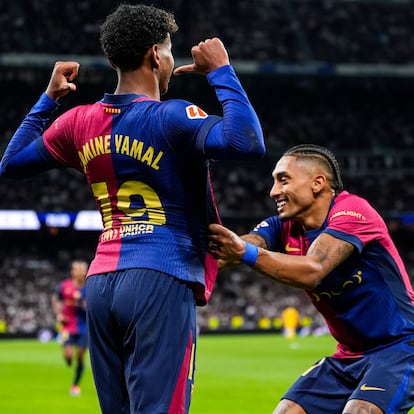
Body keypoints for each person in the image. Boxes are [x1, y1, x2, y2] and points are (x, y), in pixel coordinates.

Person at [0, 4, 265, 413]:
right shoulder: (172, 116)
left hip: (102, 284)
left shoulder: (77, 122)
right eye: (171, 50)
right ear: (156, 56)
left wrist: (48, 97)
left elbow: (10, 164)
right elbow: (247, 142)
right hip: (161, 275)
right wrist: (221, 72)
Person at [208, 144, 414, 414]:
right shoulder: (284, 226)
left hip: (401, 347)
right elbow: (238, 248)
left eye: (283, 179)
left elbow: (312, 270)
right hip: (348, 355)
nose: (273, 191)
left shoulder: (353, 211)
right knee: (287, 412)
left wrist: (243, 252)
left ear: (318, 183)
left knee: (360, 411)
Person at [52, 260, 88, 397]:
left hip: (84, 327)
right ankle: (67, 358)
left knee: (79, 356)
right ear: (72, 272)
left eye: (82, 270)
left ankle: (75, 385)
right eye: (77, 270)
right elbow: (56, 299)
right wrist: (59, 314)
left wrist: (87, 306)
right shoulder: (64, 286)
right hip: (67, 326)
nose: (80, 272)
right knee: (68, 356)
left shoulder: (89, 287)